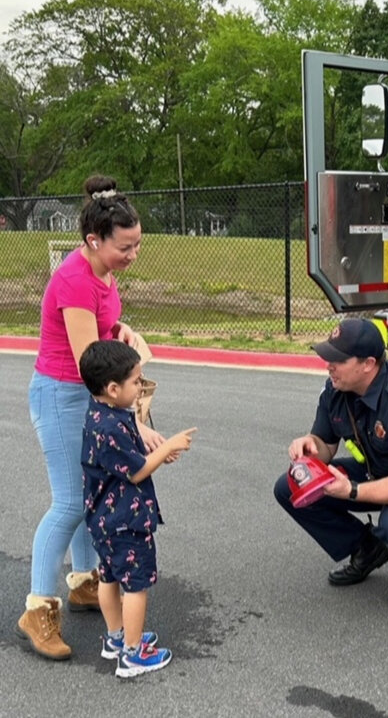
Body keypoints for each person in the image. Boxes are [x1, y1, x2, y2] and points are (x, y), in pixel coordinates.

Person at [16, 175, 165, 661]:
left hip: (85, 393)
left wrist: (117, 328)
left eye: (138, 244)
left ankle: (85, 580)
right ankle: (38, 609)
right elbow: (89, 366)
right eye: (126, 247)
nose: (133, 254)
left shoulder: (103, 271)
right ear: (93, 241)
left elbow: (101, 337)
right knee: (69, 502)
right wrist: (136, 421)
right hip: (63, 393)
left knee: (91, 492)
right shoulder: (75, 280)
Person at [274, 318, 388, 608]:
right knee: (290, 486)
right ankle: (366, 548)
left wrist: (352, 490)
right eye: (327, 357)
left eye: (337, 359)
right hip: (376, 470)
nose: (328, 365)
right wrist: (310, 447)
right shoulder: (336, 389)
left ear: (368, 364)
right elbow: (325, 446)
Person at [78, 340, 196, 678]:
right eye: (136, 381)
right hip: (125, 521)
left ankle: (116, 637)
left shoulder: (102, 412)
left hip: (103, 519)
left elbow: (133, 457)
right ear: (113, 388)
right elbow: (137, 470)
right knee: (136, 585)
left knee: (110, 575)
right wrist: (168, 446)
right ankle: (132, 654)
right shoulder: (111, 426)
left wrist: (158, 452)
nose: (141, 386)